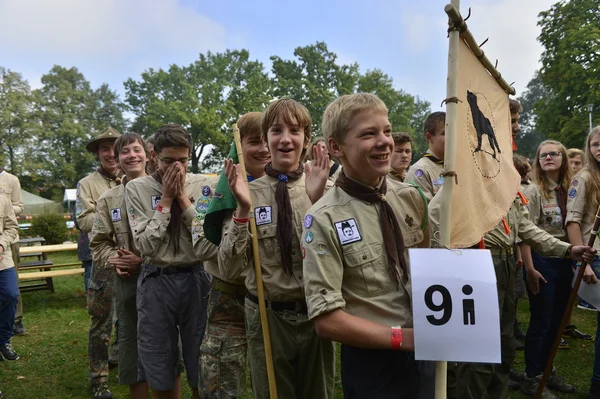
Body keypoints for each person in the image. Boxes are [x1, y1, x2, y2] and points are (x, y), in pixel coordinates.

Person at [429, 159, 595, 399]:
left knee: (504, 344)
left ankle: (498, 394)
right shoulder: (462, 180)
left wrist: (567, 249)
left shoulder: (505, 182)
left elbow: (524, 227)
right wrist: (454, 260)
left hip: (505, 263)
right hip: (476, 260)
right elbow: (436, 217)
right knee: (479, 347)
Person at [302, 93, 430, 399]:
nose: (385, 141)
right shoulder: (322, 218)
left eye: (386, 131)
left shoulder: (410, 198)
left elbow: (426, 267)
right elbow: (327, 320)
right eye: (368, 134)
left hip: (426, 351)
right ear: (336, 148)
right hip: (373, 365)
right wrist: (405, 338)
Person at [220, 98, 333, 399]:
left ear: (307, 139)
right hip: (268, 319)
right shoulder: (247, 192)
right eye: (276, 130)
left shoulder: (327, 190)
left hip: (317, 316)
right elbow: (229, 269)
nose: (285, 139)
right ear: (267, 138)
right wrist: (243, 210)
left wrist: (318, 203)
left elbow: (337, 262)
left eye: (294, 130)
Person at [126, 123, 216, 399]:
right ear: (153, 156)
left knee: (202, 357)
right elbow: (145, 245)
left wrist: (182, 199)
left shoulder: (203, 185)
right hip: (157, 280)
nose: (177, 167)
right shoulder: (137, 189)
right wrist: (166, 198)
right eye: (168, 161)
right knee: (159, 358)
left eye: (183, 160)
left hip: (196, 278)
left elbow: (208, 238)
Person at [198, 112, 270, 398]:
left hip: (272, 303)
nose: (264, 148)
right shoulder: (213, 192)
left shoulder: (284, 188)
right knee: (223, 381)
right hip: (229, 302)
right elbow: (202, 245)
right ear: (239, 146)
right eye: (254, 141)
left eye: (268, 139)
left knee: (270, 380)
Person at [89, 133, 150, 399]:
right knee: (131, 345)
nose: (132, 155)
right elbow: (98, 243)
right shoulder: (109, 199)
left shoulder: (164, 189)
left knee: (167, 347)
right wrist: (117, 259)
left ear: (147, 154)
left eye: (137, 149)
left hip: (162, 281)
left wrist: (144, 262)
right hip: (126, 285)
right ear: (118, 158)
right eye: (125, 151)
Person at [519, 140, 576, 397]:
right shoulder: (533, 192)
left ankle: (547, 370)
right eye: (543, 155)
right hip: (542, 262)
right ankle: (533, 377)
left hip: (566, 259)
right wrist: (530, 269)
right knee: (541, 321)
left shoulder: (568, 190)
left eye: (553, 154)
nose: (548, 158)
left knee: (557, 321)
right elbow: (525, 234)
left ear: (563, 158)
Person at [76, 127, 122, 399]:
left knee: (132, 320)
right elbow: (84, 221)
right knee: (101, 323)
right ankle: (99, 380)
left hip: (135, 260)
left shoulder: (135, 178)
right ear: (98, 153)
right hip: (105, 262)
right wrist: (114, 217)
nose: (110, 153)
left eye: (114, 146)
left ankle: (121, 359)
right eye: (104, 148)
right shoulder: (88, 184)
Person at [565, 126, 600, 399]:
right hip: (595, 257)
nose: (599, 149)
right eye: (595, 144)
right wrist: (583, 263)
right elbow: (573, 221)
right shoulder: (583, 178)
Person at [0, 169, 26, 336]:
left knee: (11, 281)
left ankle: (16, 319)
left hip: (9, 240)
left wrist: (5, 206)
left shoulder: (11, 179)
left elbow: (19, 206)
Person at [405, 112, 445, 201]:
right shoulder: (420, 171)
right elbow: (425, 213)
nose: (452, 137)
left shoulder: (455, 166)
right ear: (429, 137)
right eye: (444, 133)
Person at [0, 196, 20, 362]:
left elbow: (12, 227)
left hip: (2, 257)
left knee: (11, 294)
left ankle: (4, 340)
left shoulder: (3, 200)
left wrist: (1, 245)